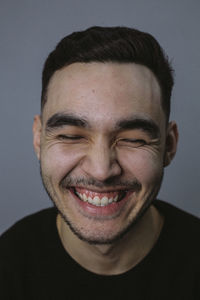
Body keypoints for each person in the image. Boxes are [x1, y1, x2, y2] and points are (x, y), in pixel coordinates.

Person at [0, 26, 199, 299]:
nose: (101, 170)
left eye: (133, 139)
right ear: (39, 139)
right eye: (71, 136)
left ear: (169, 145)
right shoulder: (8, 268)